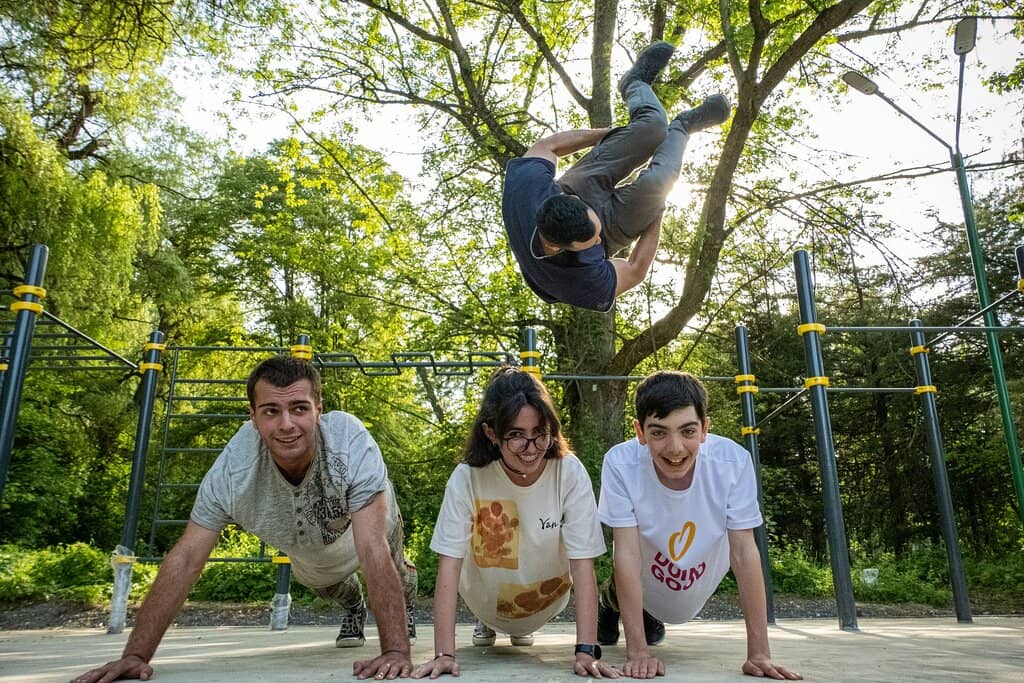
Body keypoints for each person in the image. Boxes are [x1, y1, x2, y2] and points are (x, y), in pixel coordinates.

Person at [73, 356, 417, 682]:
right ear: (253, 417)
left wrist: (397, 651)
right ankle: (353, 607)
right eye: (271, 411)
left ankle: (406, 607)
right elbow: (188, 557)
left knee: (394, 567)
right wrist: (135, 655)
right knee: (324, 585)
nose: (286, 424)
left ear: (318, 410)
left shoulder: (348, 441)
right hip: (310, 550)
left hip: (367, 523)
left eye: (299, 408)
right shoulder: (234, 471)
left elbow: (371, 547)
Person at [411, 367, 619, 679]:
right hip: (484, 602)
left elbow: (583, 565)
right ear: (492, 434)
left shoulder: (569, 472)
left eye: (540, 432)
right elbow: (449, 566)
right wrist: (444, 654)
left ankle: (517, 626)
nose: (532, 447)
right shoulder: (467, 477)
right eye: (516, 435)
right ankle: (491, 623)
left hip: (546, 602)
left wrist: (585, 650)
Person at [596, 371, 802, 680]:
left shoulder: (732, 463)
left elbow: (745, 554)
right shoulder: (620, 464)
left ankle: (649, 613)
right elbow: (625, 553)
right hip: (645, 572)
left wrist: (759, 653)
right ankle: (611, 603)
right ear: (639, 432)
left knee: (674, 603)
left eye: (688, 431)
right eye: (659, 433)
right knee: (627, 580)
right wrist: (637, 652)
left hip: (695, 573)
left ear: (705, 429)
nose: (675, 448)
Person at [501, 41, 731, 312]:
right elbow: (635, 269)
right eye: (591, 241)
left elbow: (548, 146)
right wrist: (656, 211)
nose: (595, 241)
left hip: (579, 187)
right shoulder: (583, 282)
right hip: (613, 229)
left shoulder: (525, 190)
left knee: (652, 128)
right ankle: (684, 125)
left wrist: (609, 134)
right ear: (557, 247)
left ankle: (634, 84)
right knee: (658, 185)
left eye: (593, 233)